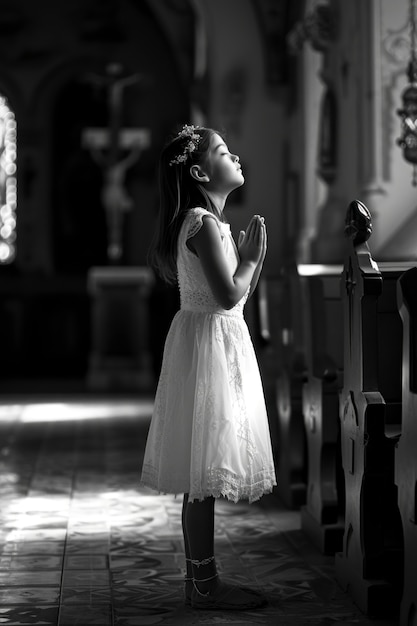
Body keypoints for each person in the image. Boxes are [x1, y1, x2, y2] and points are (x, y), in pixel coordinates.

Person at [141, 124, 277, 611]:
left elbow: (230, 299)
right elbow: (228, 295)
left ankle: (201, 579)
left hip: (210, 341)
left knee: (203, 475)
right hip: (209, 346)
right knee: (202, 474)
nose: (235, 155)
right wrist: (254, 258)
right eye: (223, 151)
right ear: (200, 172)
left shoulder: (203, 222)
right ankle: (203, 583)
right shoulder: (201, 222)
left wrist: (245, 261)